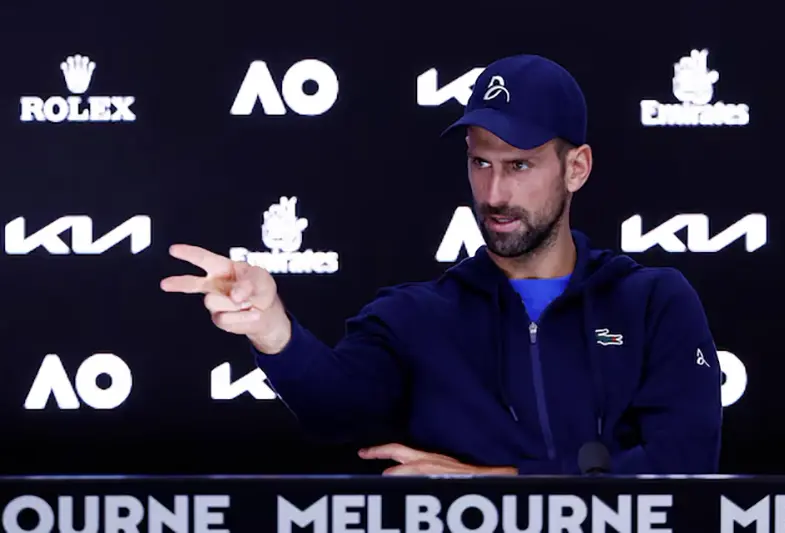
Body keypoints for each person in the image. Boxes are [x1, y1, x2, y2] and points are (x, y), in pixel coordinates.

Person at [161, 54, 723, 475]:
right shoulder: (415, 316)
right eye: (480, 161)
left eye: (520, 165)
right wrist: (274, 332)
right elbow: (335, 413)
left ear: (576, 168)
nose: (495, 192)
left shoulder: (652, 302)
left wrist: (492, 483)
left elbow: (686, 462)